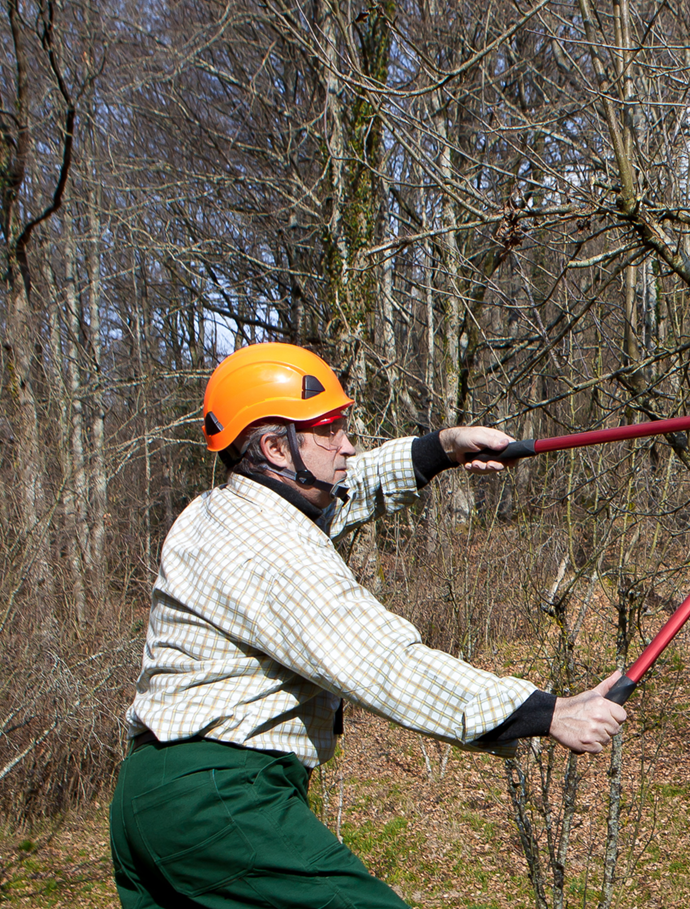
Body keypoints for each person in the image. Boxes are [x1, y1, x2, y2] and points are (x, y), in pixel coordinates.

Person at [111, 341, 627, 909]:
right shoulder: (269, 552)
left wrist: (441, 448)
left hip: (149, 803)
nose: (347, 445)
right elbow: (383, 662)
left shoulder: (221, 511)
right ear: (274, 446)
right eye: (329, 429)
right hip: (219, 798)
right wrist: (545, 712)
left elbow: (343, 492)